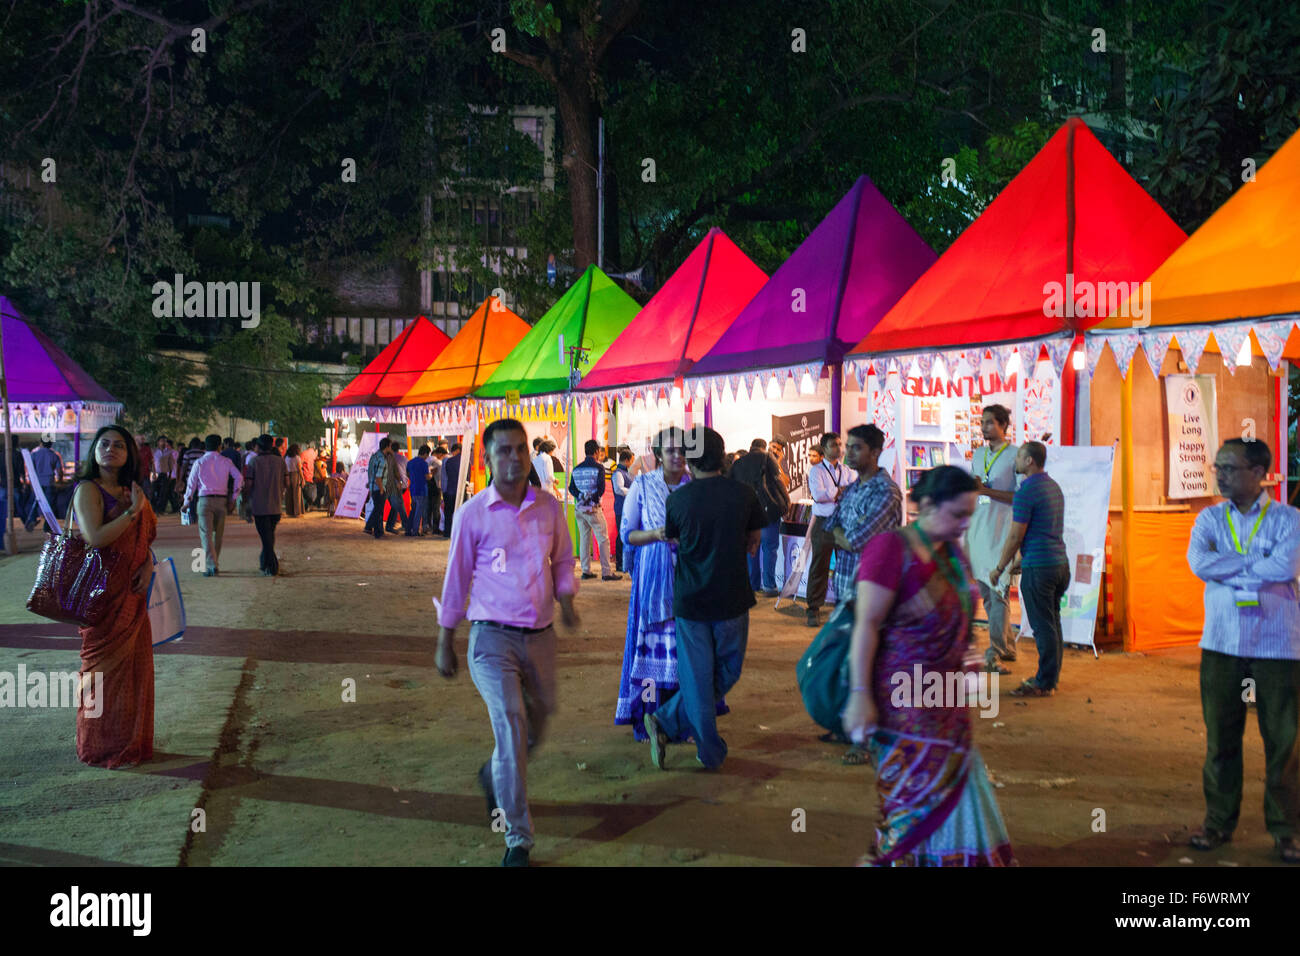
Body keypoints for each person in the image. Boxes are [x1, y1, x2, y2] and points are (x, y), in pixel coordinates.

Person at [841, 466, 1015, 866]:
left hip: (947, 704)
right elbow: (866, 625)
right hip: (902, 706)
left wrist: (968, 662)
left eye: (969, 514)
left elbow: (964, 615)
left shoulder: (951, 552)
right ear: (928, 506)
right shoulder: (890, 550)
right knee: (910, 806)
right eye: (958, 514)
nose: (964, 524)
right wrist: (859, 695)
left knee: (958, 790)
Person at [436, 418, 579, 867]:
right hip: (490, 640)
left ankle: (494, 774)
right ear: (487, 458)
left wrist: (567, 599)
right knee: (513, 725)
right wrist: (446, 640)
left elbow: (564, 559)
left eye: (520, 449)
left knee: (537, 724)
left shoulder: (549, 509)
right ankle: (518, 838)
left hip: (540, 638)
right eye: (504, 450)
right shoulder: (473, 514)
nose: (514, 457)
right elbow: (456, 579)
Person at [1186, 438, 1300, 862]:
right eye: (1218, 467)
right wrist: (1256, 565)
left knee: (1284, 744)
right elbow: (1199, 564)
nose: (1220, 474)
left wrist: (1230, 567)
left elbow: (1284, 567)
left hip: (1278, 646)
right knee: (1221, 740)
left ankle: (1286, 831)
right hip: (1222, 643)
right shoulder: (1208, 520)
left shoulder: (1289, 519)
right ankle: (1217, 824)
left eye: (1230, 468)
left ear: (1258, 473)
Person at [643, 427, 764, 771]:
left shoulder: (677, 500)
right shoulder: (744, 494)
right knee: (727, 671)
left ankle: (666, 721)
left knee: (698, 680)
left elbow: (674, 540)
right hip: (733, 597)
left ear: (691, 460)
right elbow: (754, 543)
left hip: (692, 599)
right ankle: (708, 751)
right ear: (723, 456)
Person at [70, 426, 157, 768]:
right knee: (100, 675)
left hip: (133, 598)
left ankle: (129, 743)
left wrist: (148, 564)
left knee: (134, 673)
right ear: (94, 451)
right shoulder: (88, 490)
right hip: (101, 597)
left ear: (129, 455)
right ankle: (97, 746)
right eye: (104, 444)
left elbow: (144, 541)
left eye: (119, 445)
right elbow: (96, 537)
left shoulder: (131, 491)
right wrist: (131, 511)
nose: (111, 450)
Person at [616, 428, 708, 741]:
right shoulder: (642, 485)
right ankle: (650, 721)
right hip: (654, 581)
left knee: (688, 653)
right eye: (670, 451)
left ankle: (686, 721)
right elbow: (627, 534)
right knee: (652, 652)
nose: (677, 456)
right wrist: (656, 534)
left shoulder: (695, 487)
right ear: (658, 454)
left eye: (682, 450)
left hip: (689, 581)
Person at [821, 423, 903, 760]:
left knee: (869, 667)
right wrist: (843, 534)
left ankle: (866, 740)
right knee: (849, 663)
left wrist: (843, 534)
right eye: (847, 447)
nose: (848, 453)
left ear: (875, 452)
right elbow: (831, 527)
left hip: (873, 594)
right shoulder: (854, 489)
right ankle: (849, 727)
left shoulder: (886, 493)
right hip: (846, 588)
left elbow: (854, 539)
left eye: (856, 448)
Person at [991, 441, 1069, 698]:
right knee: (1052, 623)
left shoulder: (1027, 491)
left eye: (1019, 456)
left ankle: (1044, 682)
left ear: (1029, 461)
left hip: (1040, 567)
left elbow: (1016, 535)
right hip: (1059, 565)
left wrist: (1000, 566)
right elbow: (1043, 530)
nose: (1015, 460)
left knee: (1043, 627)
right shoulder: (1054, 487)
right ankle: (1050, 678)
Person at [967, 405, 1020, 675]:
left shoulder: (1015, 456)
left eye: (989, 423)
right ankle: (1007, 647)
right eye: (982, 422)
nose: (984, 427)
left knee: (998, 592)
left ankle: (995, 651)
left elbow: (1020, 496)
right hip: (979, 528)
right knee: (988, 594)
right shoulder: (978, 454)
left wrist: (986, 490)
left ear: (1003, 425)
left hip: (1003, 529)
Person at [729, 438, 790, 598]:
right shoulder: (767, 458)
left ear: (751, 447)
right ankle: (769, 586)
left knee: (751, 548)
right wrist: (786, 503)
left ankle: (753, 585)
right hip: (768, 510)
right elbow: (779, 482)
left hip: (746, 511)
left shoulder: (738, 463)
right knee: (769, 548)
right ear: (764, 448)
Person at [180, 434, 243, 576]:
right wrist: (233, 498)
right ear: (220, 446)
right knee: (218, 535)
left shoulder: (199, 462)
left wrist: (186, 502)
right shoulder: (226, 461)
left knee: (205, 535)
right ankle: (214, 563)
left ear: (205, 446)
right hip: (222, 501)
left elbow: (191, 484)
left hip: (204, 501)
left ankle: (211, 565)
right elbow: (239, 477)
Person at [806, 432, 850, 627]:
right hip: (824, 522)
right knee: (819, 566)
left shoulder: (847, 470)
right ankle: (813, 608)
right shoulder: (816, 471)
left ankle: (844, 608)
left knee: (845, 567)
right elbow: (818, 495)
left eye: (840, 444)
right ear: (824, 449)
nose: (838, 448)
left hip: (843, 523)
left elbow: (854, 490)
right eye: (834, 445)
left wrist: (837, 493)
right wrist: (839, 491)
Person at [570, 439, 620, 581]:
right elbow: (601, 489)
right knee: (603, 539)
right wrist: (591, 499)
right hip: (593, 509)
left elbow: (571, 488)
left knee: (584, 539)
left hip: (579, 509)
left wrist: (581, 496)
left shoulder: (576, 469)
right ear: (597, 452)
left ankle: (586, 571)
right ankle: (606, 572)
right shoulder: (599, 468)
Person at [246, 434, 286, 574]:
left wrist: (246, 501)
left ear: (259, 446)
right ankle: (265, 563)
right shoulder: (280, 462)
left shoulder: (253, 462)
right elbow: (285, 482)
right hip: (275, 505)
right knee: (269, 535)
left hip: (259, 505)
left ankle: (271, 565)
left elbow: (249, 484)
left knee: (266, 537)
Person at [25, 438, 64, 532]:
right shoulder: (54, 455)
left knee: (34, 503)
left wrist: (31, 484)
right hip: (49, 483)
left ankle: (32, 520)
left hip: (37, 484)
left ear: (41, 443)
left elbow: (30, 471)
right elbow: (60, 472)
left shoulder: (34, 454)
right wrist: (59, 481)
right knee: (49, 506)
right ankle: (47, 525)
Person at [364, 437, 392, 538]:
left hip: (373, 486)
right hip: (378, 487)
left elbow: (371, 472)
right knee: (378, 510)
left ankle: (378, 531)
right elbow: (378, 476)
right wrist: (381, 488)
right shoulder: (382, 459)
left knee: (378, 509)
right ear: (387, 447)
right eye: (390, 446)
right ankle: (371, 528)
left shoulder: (374, 456)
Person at [612, 449, 634, 572]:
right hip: (621, 509)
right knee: (621, 536)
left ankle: (625, 562)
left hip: (627, 508)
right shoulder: (618, 473)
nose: (632, 463)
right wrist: (633, 491)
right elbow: (619, 489)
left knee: (626, 535)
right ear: (626, 460)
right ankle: (619, 563)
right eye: (631, 460)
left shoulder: (626, 472)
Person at [407, 445, 431, 536]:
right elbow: (427, 477)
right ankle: (415, 531)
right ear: (425, 453)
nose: (427, 457)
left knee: (413, 510)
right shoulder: (424, 464)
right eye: (427, 455)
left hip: (413, 489)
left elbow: (407, 474)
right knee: (419, 511)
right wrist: (431, 475)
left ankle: (408, 529)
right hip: (421, 490)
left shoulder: (410, 462)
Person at [386, 441, 410, 533]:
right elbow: (407, 471)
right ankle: (403, 524)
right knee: (398, 504)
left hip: (395, 484)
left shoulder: (389, 458)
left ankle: (404, 524)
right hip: (403, 484)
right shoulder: (404, 458)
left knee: (397, 505)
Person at [152, 437, 177, 515]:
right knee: (153, 491)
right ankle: (153, 509)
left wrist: (169, 475)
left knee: (163, 493)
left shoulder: (169, 452)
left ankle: (160, 510)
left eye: (165, 441)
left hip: (164, 474)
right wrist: (152, 473)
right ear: (158, 442)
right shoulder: (154, 451)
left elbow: (171, 464)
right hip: (155, 474)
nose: (164, 443)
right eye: (162, 441)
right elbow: (151, 463)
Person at [442, 443, 462, 536]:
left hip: (450, 490)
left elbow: (446, 476)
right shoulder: (465, 461)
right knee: (461, 513)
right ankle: (458, 533)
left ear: (457, 450)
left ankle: (447, 532)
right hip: (460, 491)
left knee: (448, 512)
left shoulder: (448, 461)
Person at [428, 446, 447, 535]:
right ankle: (436, 529)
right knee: (436, 508)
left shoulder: (428, 460)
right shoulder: (438, 462)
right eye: (443, 455)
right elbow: (433, 472)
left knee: (429, 508)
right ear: (440, 454)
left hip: (428, 487)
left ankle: (428, 526)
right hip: (436, 486)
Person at [284, 443, 305, 517]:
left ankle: (289, 512)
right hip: (295, 475)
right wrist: (303, 478)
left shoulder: (286, 457)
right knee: (296, 494)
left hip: (287, 475)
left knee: (289, 494)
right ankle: (297, 512)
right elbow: (299, 469)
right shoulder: (297, 458)